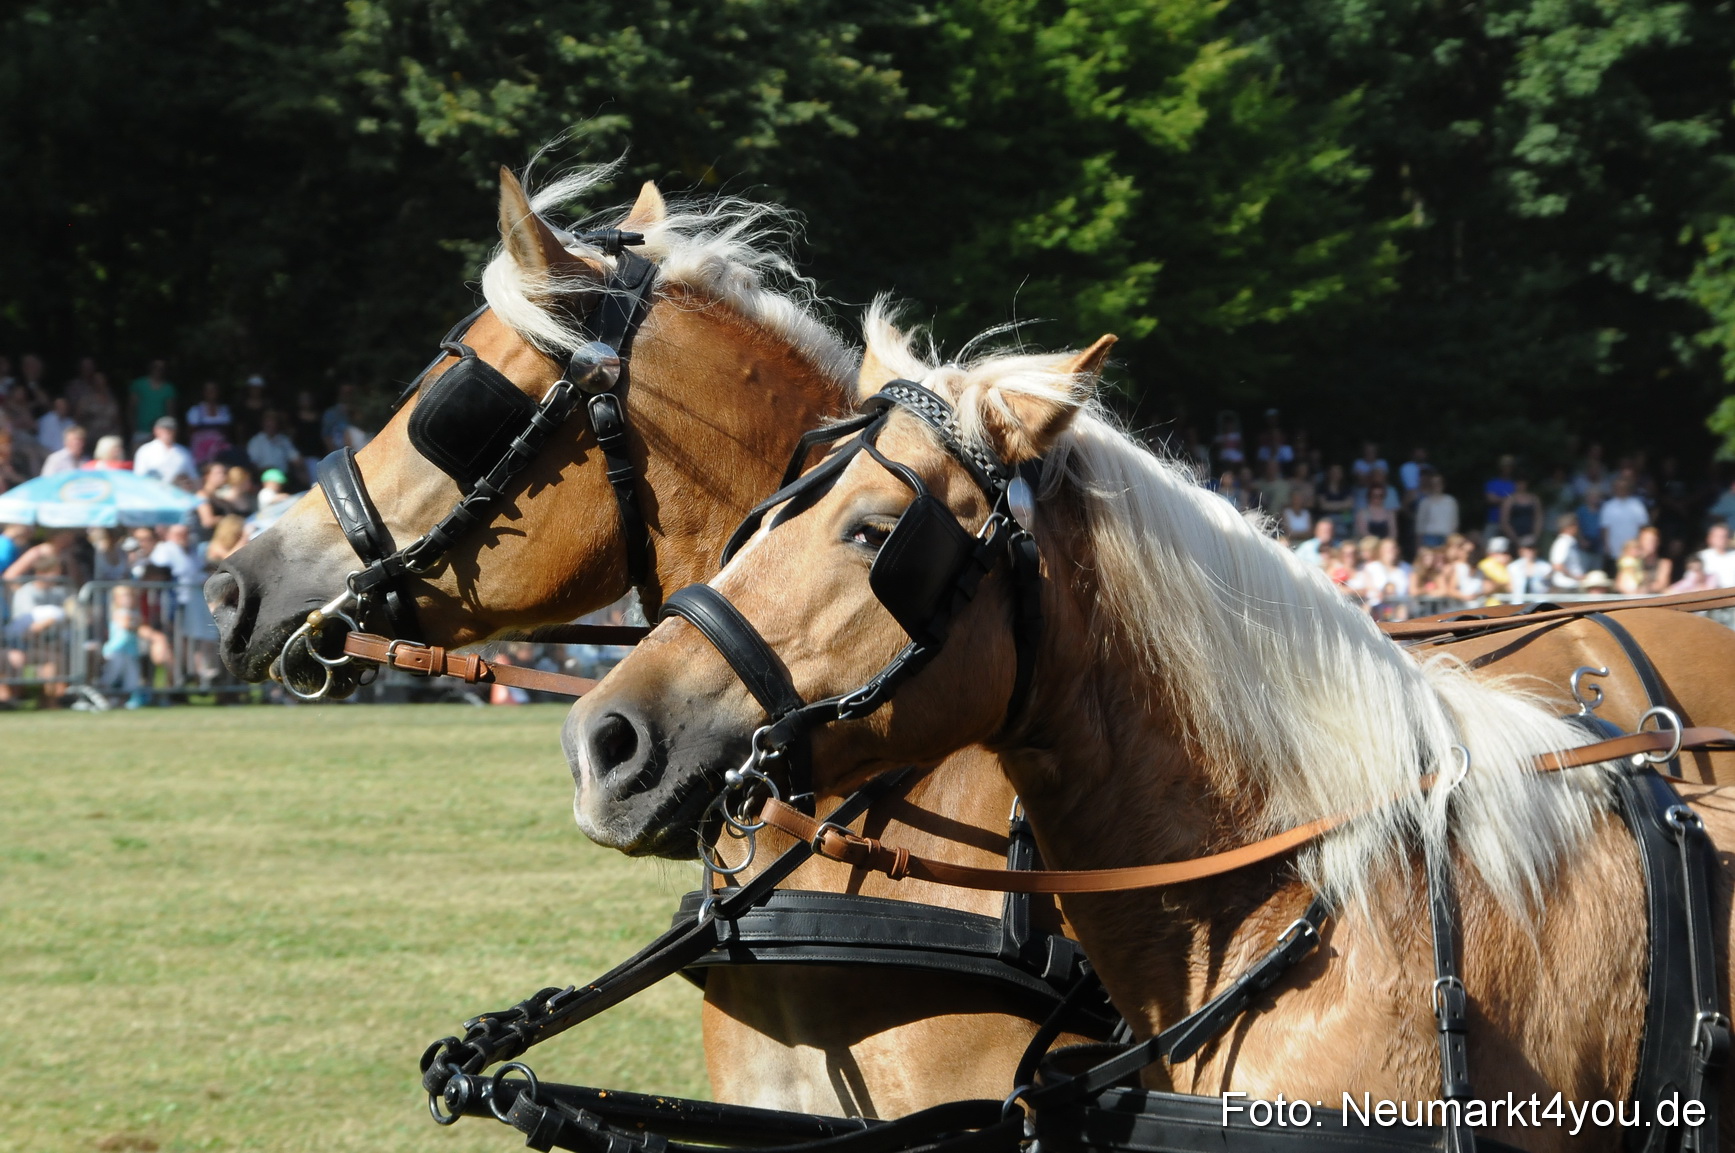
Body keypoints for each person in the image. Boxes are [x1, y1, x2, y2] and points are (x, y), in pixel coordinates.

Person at [133, 417, 198, 486]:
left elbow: (194, 477)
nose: (167, 433)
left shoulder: (184, 452)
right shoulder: (145, 451)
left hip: (177, 492)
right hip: (152, 492)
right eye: (164, 430)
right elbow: (139, 477)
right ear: (156, 430)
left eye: (171, 430)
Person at [128, 360, 177, 448]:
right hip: (140, 430)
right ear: (150, 368)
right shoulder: (139, 384)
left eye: (161, 368)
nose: (158, 370)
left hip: (162, 431)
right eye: (156, 367)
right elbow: (131, 408)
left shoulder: (168, 388)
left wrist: (170, 429)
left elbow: (170, 412)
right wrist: (132, 428)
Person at [1599, 475, 1649, 561]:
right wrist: (1606, 546)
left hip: (1634, 551)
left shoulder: (1637, 505)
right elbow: (1605, 529)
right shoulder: (1608, 506)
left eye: (1624, 487)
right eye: (1618, 487)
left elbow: (1643, 528)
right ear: (1614, 488)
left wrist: (1642, 546)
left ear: (1628, 489)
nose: (1621, 489)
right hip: (1614, 551)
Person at [185, 381, 235, 465]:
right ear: (203, 392)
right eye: (208, 390)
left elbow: (228, 432)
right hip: (201, 452)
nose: (211, 392)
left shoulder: (224, 411)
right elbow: (190, 433)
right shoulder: (195, 411)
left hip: (220, 452)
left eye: (213, 389)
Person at [246, 410, 301, 479]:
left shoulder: (284, 440)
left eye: (273, 421)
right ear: (263, 423)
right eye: (268, 421)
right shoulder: (255, 441)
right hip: (264, 476)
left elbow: (296, 460)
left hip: (284, 476)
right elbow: (252, 464)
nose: (271, 424)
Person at [1413, 473, 1459, 547]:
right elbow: (1419, 525)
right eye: (1433, 483)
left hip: (1447, 536)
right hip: (1430, 537)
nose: (1436, 485)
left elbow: (1455, 521)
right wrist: (1418, 544)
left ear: (1443, 484)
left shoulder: (1450, 501)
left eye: (1439, 483)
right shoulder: (1425, 502)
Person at [1548, 515, 1587, 591]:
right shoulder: (1563, 542)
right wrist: (1576, 577)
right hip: (1565, 586)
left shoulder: (1569, 542)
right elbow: (1557, 565)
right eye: (1575, 525)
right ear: (1569, 527)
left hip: (1570, 586)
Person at [1498, 477, 1542, 544]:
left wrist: (1535, 536)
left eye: (1523, 483)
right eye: (1519, 483)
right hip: (1514, 535)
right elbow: (1504, 521)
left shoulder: (1534, 499)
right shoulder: (1509, 500)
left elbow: (1538, 518)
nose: (1521, 485)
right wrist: (1515, 538)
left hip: (1530, 535)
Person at [1631, 524, 1673, 594]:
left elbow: (1661, 585)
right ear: (1640, 542)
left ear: (1658, 542)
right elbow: (1624, 583)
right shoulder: (1633, 561)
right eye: (1647, 540)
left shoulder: (1664, 563)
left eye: (1654, 540)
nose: (1651, 543)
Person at [1698, 521, 1735, 587]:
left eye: (1724, 536)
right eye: (1718, 536)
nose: (1721, 539)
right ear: (1710, 538)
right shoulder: (1701, 557)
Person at [1483, 455, 1517, 526]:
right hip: (1494, 521)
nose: (1507, 468)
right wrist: (1510, 499)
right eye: (1505, 466)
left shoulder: (1515, 484)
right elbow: (1490, 499)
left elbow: (1519, 500)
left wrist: (1500, 499)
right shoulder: (1492, 483)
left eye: (1509, 466)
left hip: (1512, 522)